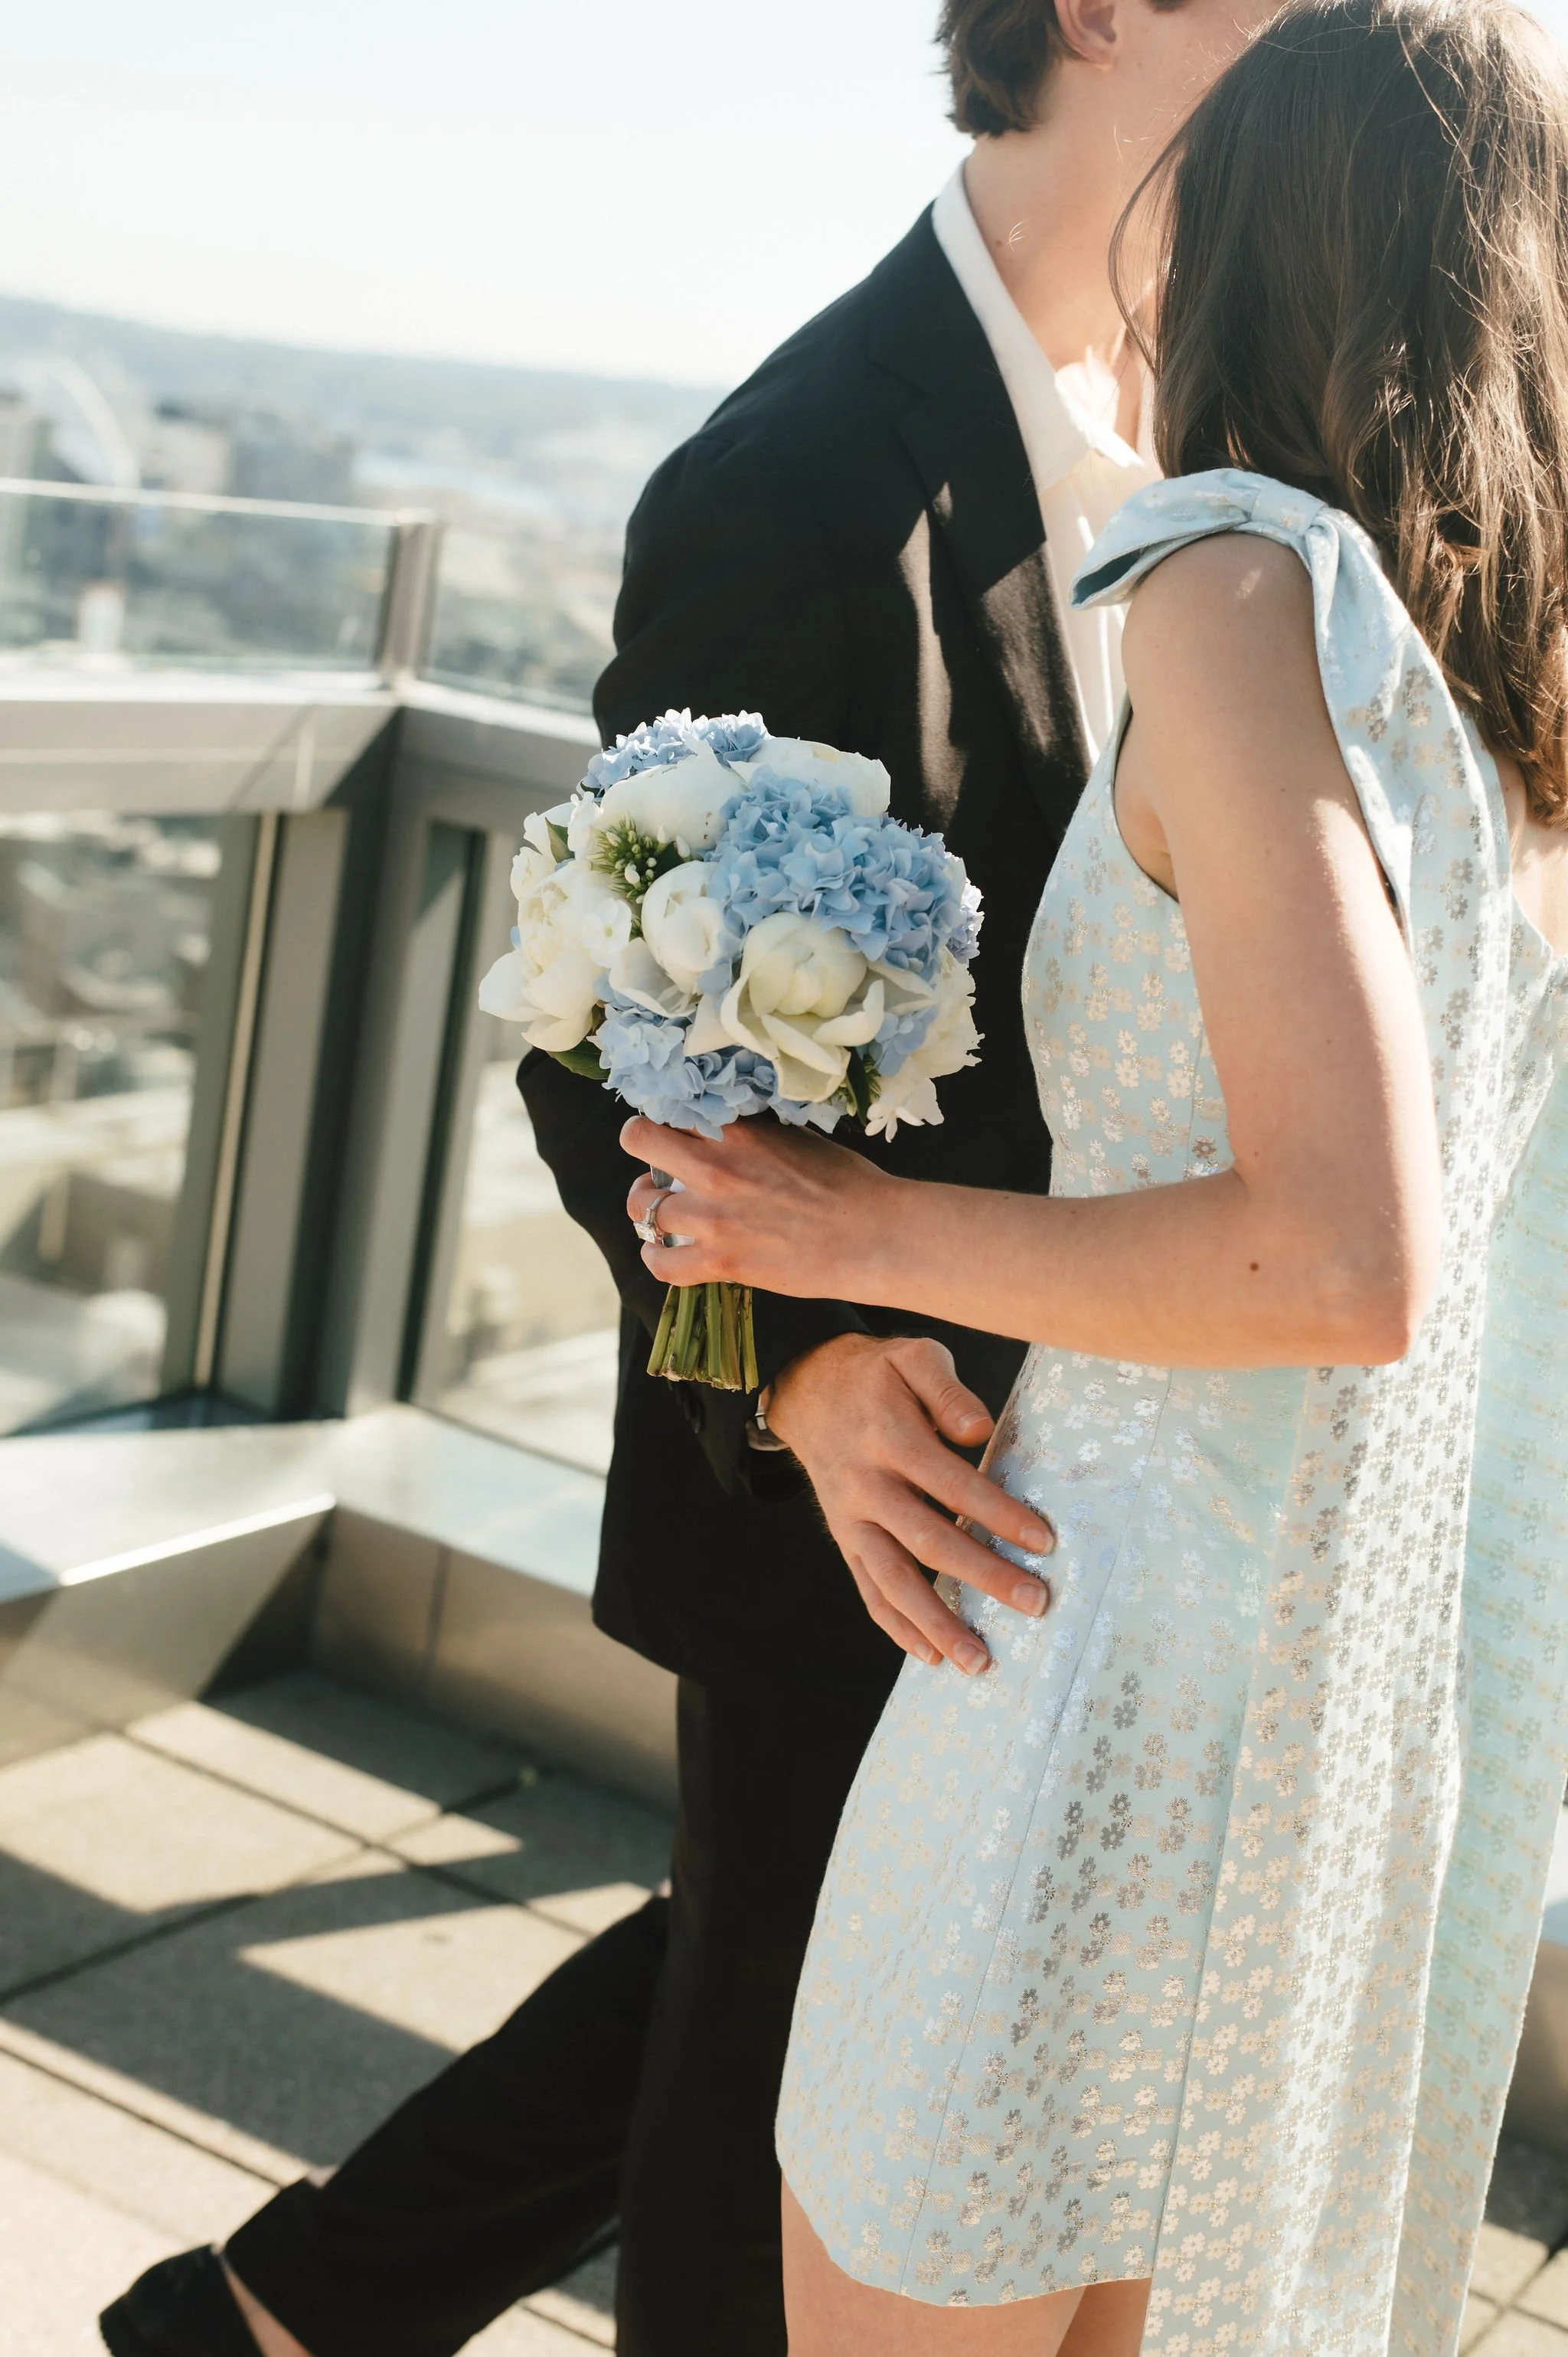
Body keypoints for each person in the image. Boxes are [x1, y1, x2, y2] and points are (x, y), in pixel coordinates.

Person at [98, 4, 1278, 2355]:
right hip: (878, 1486)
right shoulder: (811, 463)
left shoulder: (1223, 423)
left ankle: (269, 2315)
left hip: (1133, 1459)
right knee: (779, 2096)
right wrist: (809, 1369)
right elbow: (595, 1026)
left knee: (784, 1967)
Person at [618, 2, 1568, 2349]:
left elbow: (1345, 1247)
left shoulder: (1239, 578)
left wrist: (845, 1236)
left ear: (1260, 217)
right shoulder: (1502, 718)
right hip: (1347, 1756)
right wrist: (802, 1356)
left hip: (1076, 1681)